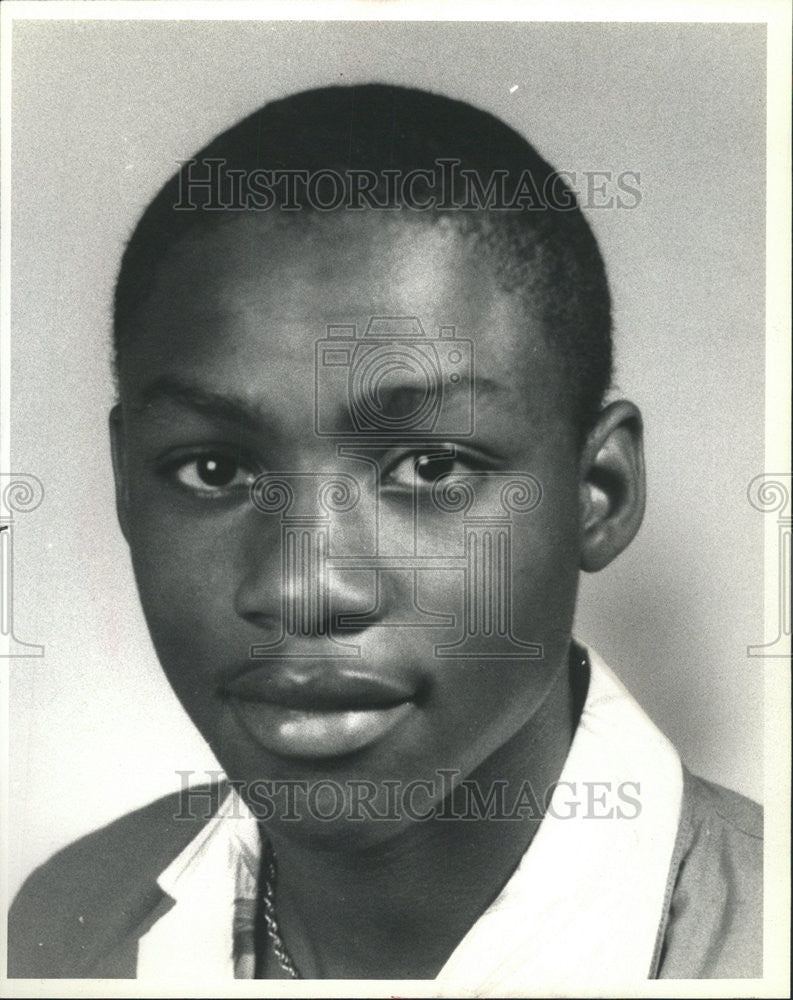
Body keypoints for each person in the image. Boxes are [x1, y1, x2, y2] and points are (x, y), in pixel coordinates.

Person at [8, 84, 762, 987]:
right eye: (214, 469)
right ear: (128, 486)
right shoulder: (62, 923)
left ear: (596, 493)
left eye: (431, 468)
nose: (305, 584)